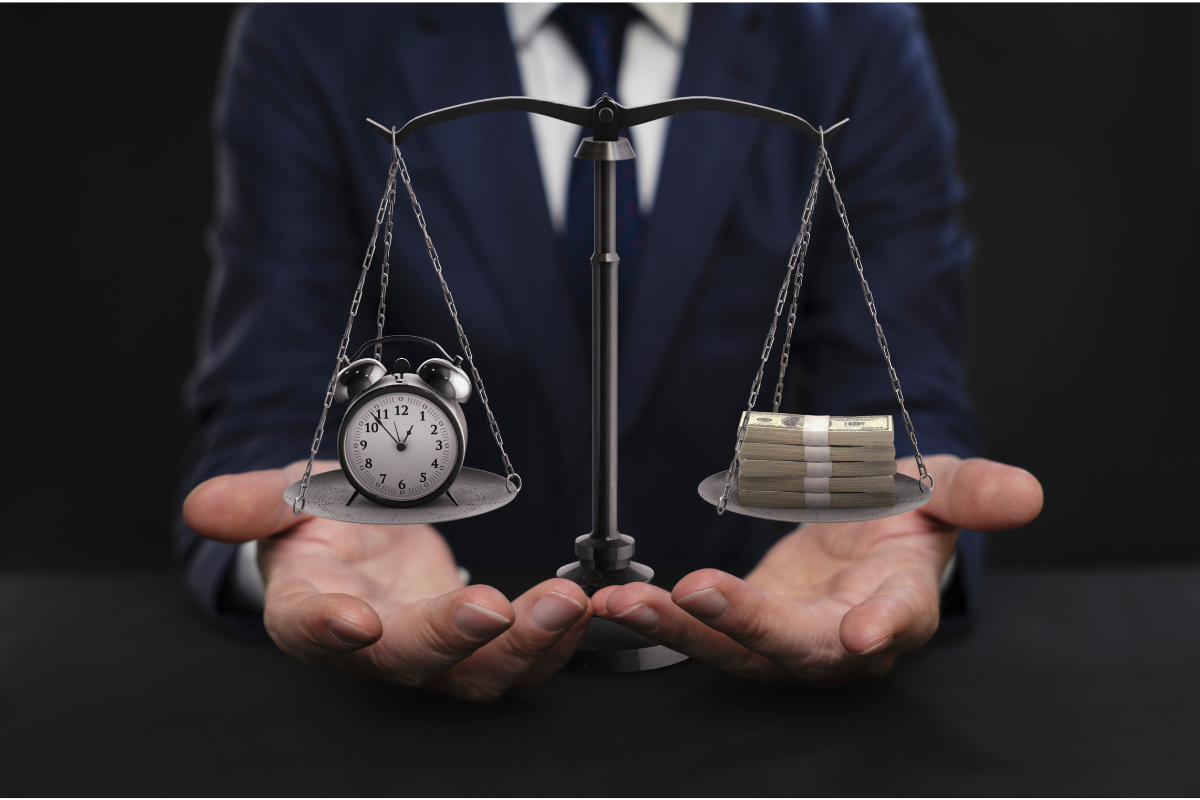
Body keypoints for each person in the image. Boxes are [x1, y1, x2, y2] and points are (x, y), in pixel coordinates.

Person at [179, 3, 1042, 701]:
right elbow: (274, 391)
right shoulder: (315, 24)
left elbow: (898, 385)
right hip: (424, 705)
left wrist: (910, 528)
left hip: (746, 684)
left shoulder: (853, 29)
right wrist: (293, 546)